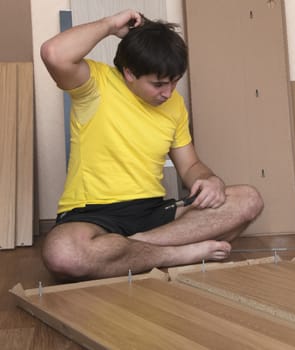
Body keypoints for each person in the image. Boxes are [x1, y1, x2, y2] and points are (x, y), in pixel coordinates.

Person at [40, 10, 264, 281]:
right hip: (93, 215)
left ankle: (132, 249)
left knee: (248, 200)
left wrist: (209, 179)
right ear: (130, 73)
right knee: (63, 254)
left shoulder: (174, 106)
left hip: (153, 213)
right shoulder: (95, 85)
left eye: (174, 82)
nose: (168, 93)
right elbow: (53, 52)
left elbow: (190, 165)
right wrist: (110, 25)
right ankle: (175, 255)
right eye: (158, 84)